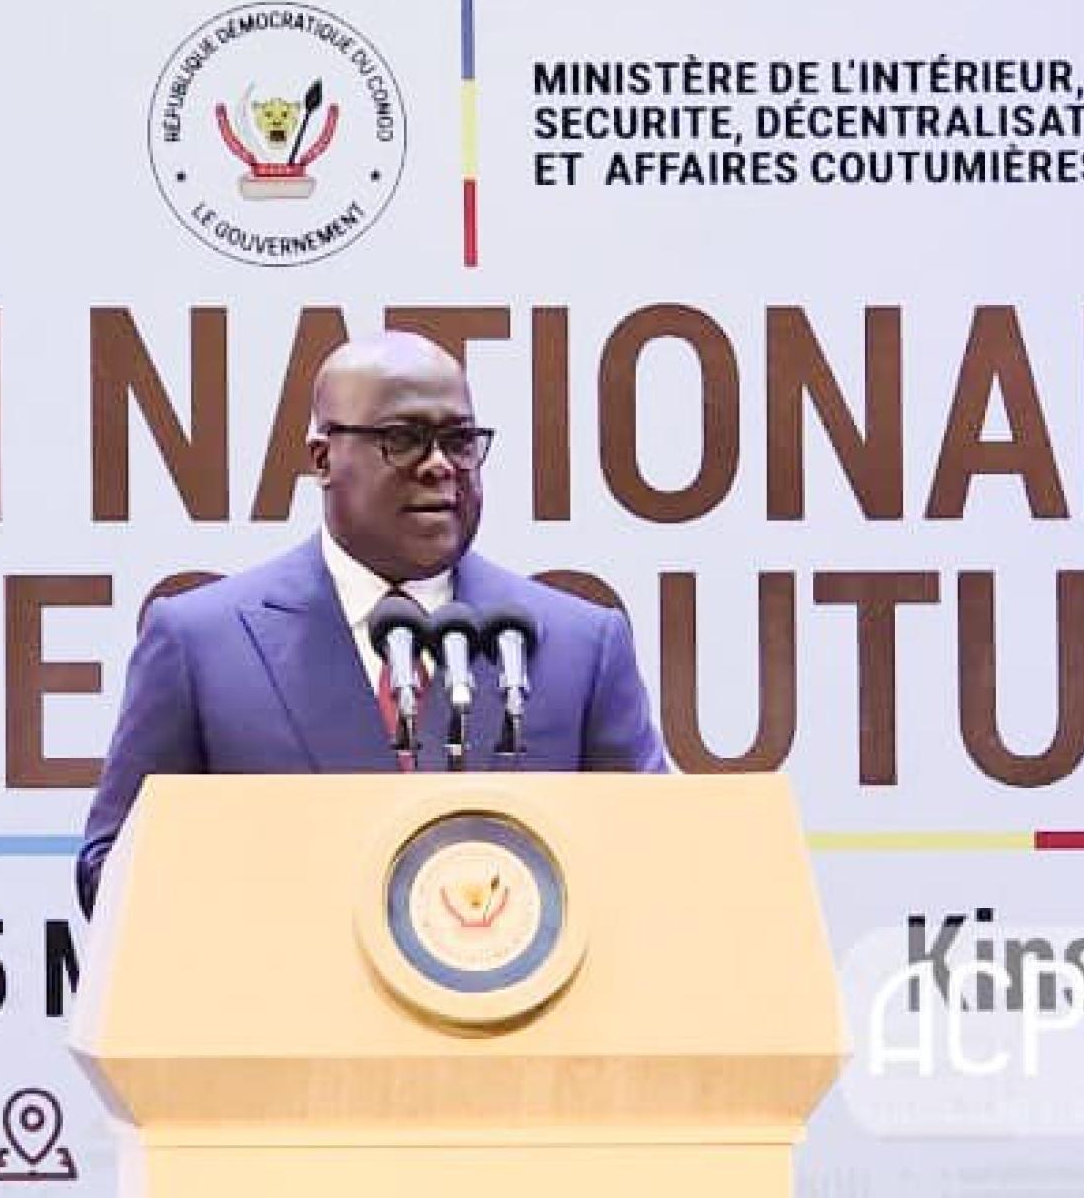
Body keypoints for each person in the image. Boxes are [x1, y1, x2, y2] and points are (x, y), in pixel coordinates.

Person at [75, 333, 665, 915]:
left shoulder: (579, 647)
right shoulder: (202, 644)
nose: (439, 466)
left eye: (459, 441)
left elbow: (655, 860)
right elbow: (111, 872)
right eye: (403, 439)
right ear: (323, 459)